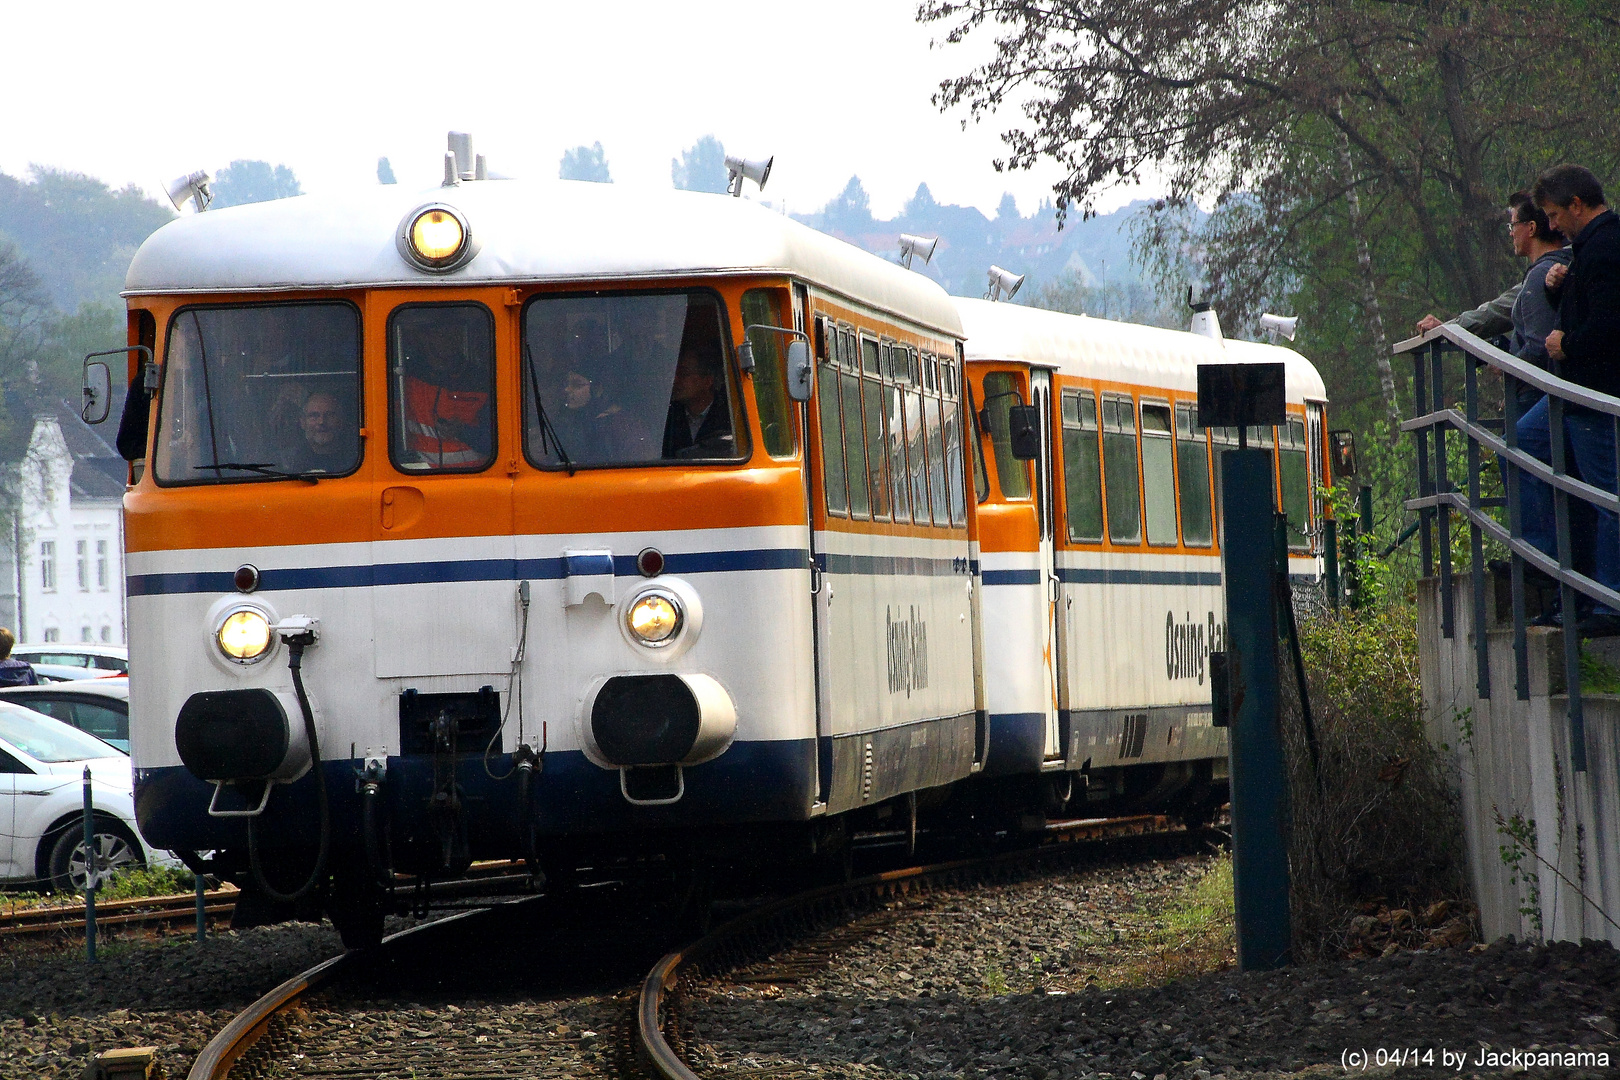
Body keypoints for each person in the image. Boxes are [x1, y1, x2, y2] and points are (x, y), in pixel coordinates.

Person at [1518, 164, 1620, 635]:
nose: (1552, 225)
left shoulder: (1604, 248)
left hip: (1594, 393)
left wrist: (1566, 345)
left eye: (1556, 214)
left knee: (1605, 497)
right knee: (1526, 442)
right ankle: (1555, 567)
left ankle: (1607, 600)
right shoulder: (1588, 249)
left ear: (1577, 205)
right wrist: (1562, 291)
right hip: (1573, 392)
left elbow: (1607, 326)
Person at [1415, 193, 1571, 414]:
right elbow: (1497, 310)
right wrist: (1449, 328)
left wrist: (1509, 367)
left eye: (1513, 224)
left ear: (1531, 228)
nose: (1510, 232)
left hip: (1538, 394)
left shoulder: (1543, 274)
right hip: (1541, 393)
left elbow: (1537, 344)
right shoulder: (1548, 271)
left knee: (1520, 445)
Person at [401, 321, 491, 469]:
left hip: (475, 477)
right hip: (418, 476)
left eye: (454, 334)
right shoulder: (406, 378)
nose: (449, 340)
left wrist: (463, 431)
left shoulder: (479, 380)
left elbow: (500, 440)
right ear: (425, 338)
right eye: (441, 334)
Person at [662, 348, 733, 458]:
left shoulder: (730, 417)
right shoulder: (668, 416)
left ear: (707, 381)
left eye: (683, 373)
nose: (675, 380)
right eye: (674, 373)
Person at [286, 391, 354, 473]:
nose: (321, 421)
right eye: (314, 416)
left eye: (329, 415)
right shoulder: (289, 462)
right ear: (303, 422)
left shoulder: (354, 460)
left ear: (340, 420)